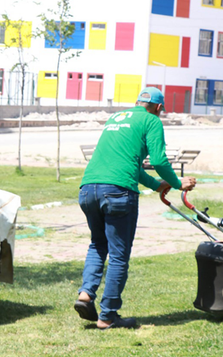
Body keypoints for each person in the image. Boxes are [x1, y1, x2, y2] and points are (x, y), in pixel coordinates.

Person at [74, 87, 197, 329]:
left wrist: (155, 185)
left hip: (88, 189)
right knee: (119, 256)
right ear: (159, 108)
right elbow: (160, 161)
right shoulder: (152, 120)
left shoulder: (116, 118)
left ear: (137, 101)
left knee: (98, 244)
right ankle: (107, 316)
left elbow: (131, 163)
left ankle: (85, 294)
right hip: (118, 192)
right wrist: (177, 182)